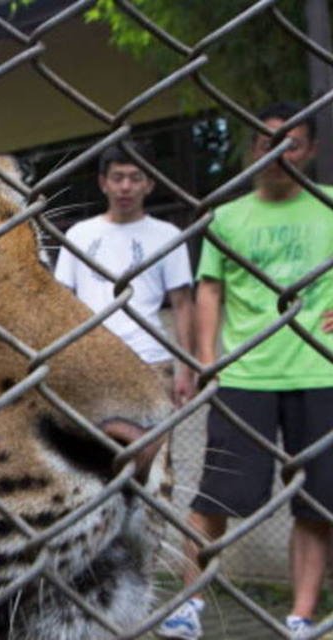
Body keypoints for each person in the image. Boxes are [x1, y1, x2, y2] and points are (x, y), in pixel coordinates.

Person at [157, 103, 333, 639]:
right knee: (216, 497)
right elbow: (210, 288)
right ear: (252, 148)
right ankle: (189, 603)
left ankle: (301, 617)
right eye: (265, 141)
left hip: (320, 370)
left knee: (318, 503)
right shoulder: (229, 217)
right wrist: (208, 360)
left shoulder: (330, 207)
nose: (277, 152)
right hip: (246, 374)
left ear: (312, 150)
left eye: (291, 143)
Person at [54, 142, 195, 405]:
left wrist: (186, 368)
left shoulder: (169, 236)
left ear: (149, 184)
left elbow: (183, 304)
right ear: (103, 183)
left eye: (135, 178)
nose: (125, 187)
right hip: (91, 361)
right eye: (117, 178)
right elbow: (62, 299)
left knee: (157, 446)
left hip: (150, 358)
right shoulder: (78, 235)